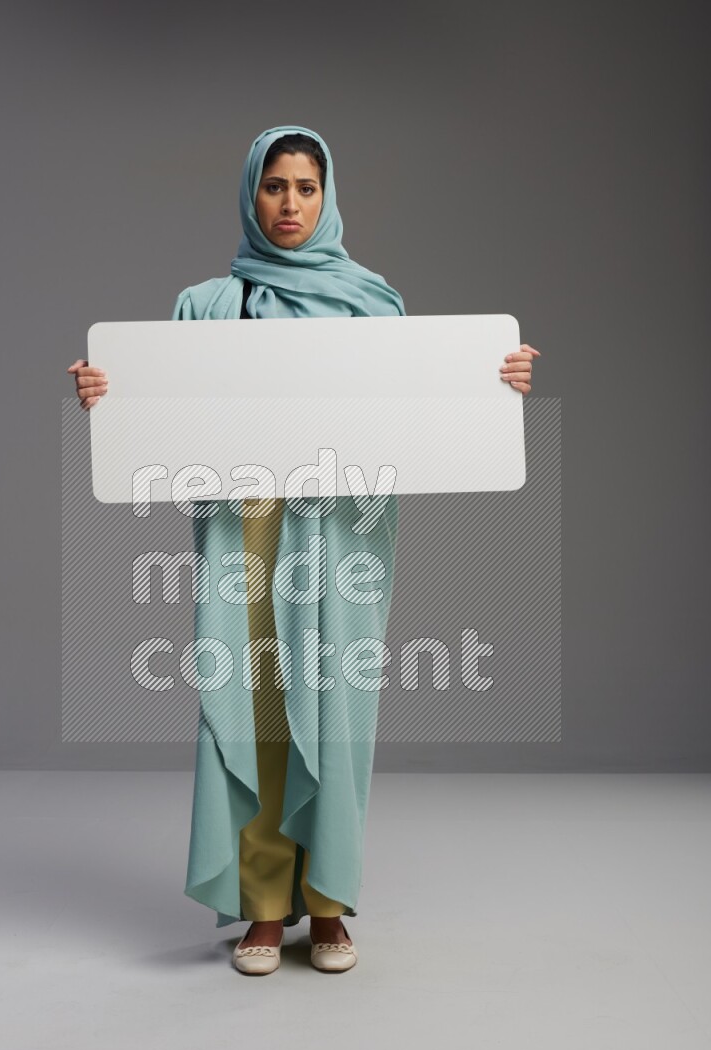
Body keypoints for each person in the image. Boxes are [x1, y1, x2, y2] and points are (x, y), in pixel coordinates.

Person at [68, 124, 540, 976]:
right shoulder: (207, 306)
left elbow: (421, 411)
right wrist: (109, 395)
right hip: (245, 522)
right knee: (254, 706)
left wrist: (491, 382)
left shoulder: (373, 304)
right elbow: (162, 423)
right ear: (251, 195)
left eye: (306, 188)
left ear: (328, 197)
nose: (290, 204)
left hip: (340, 527)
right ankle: (262, 907)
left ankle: (327, 905)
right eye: (274, 187)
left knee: (335, 701)